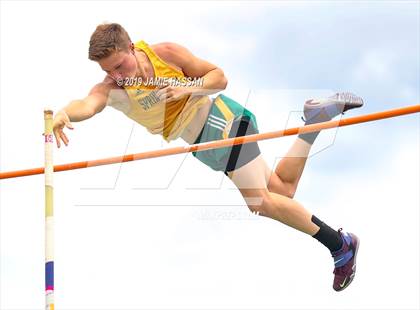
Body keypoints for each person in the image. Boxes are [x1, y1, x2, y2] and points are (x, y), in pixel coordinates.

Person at [53, 23, 363, 291]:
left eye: (120, 66)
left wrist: (188, 87)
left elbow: (219, 77)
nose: (116, 75)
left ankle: (340, 246)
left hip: (219, 120)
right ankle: (316, 121)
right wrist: (65, 114)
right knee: (282, 191)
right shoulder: (110, 88)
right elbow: (87, 104)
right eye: (108, 70)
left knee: (261, 203)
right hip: (206, 146)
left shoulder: (166, 54)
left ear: (131, 48)